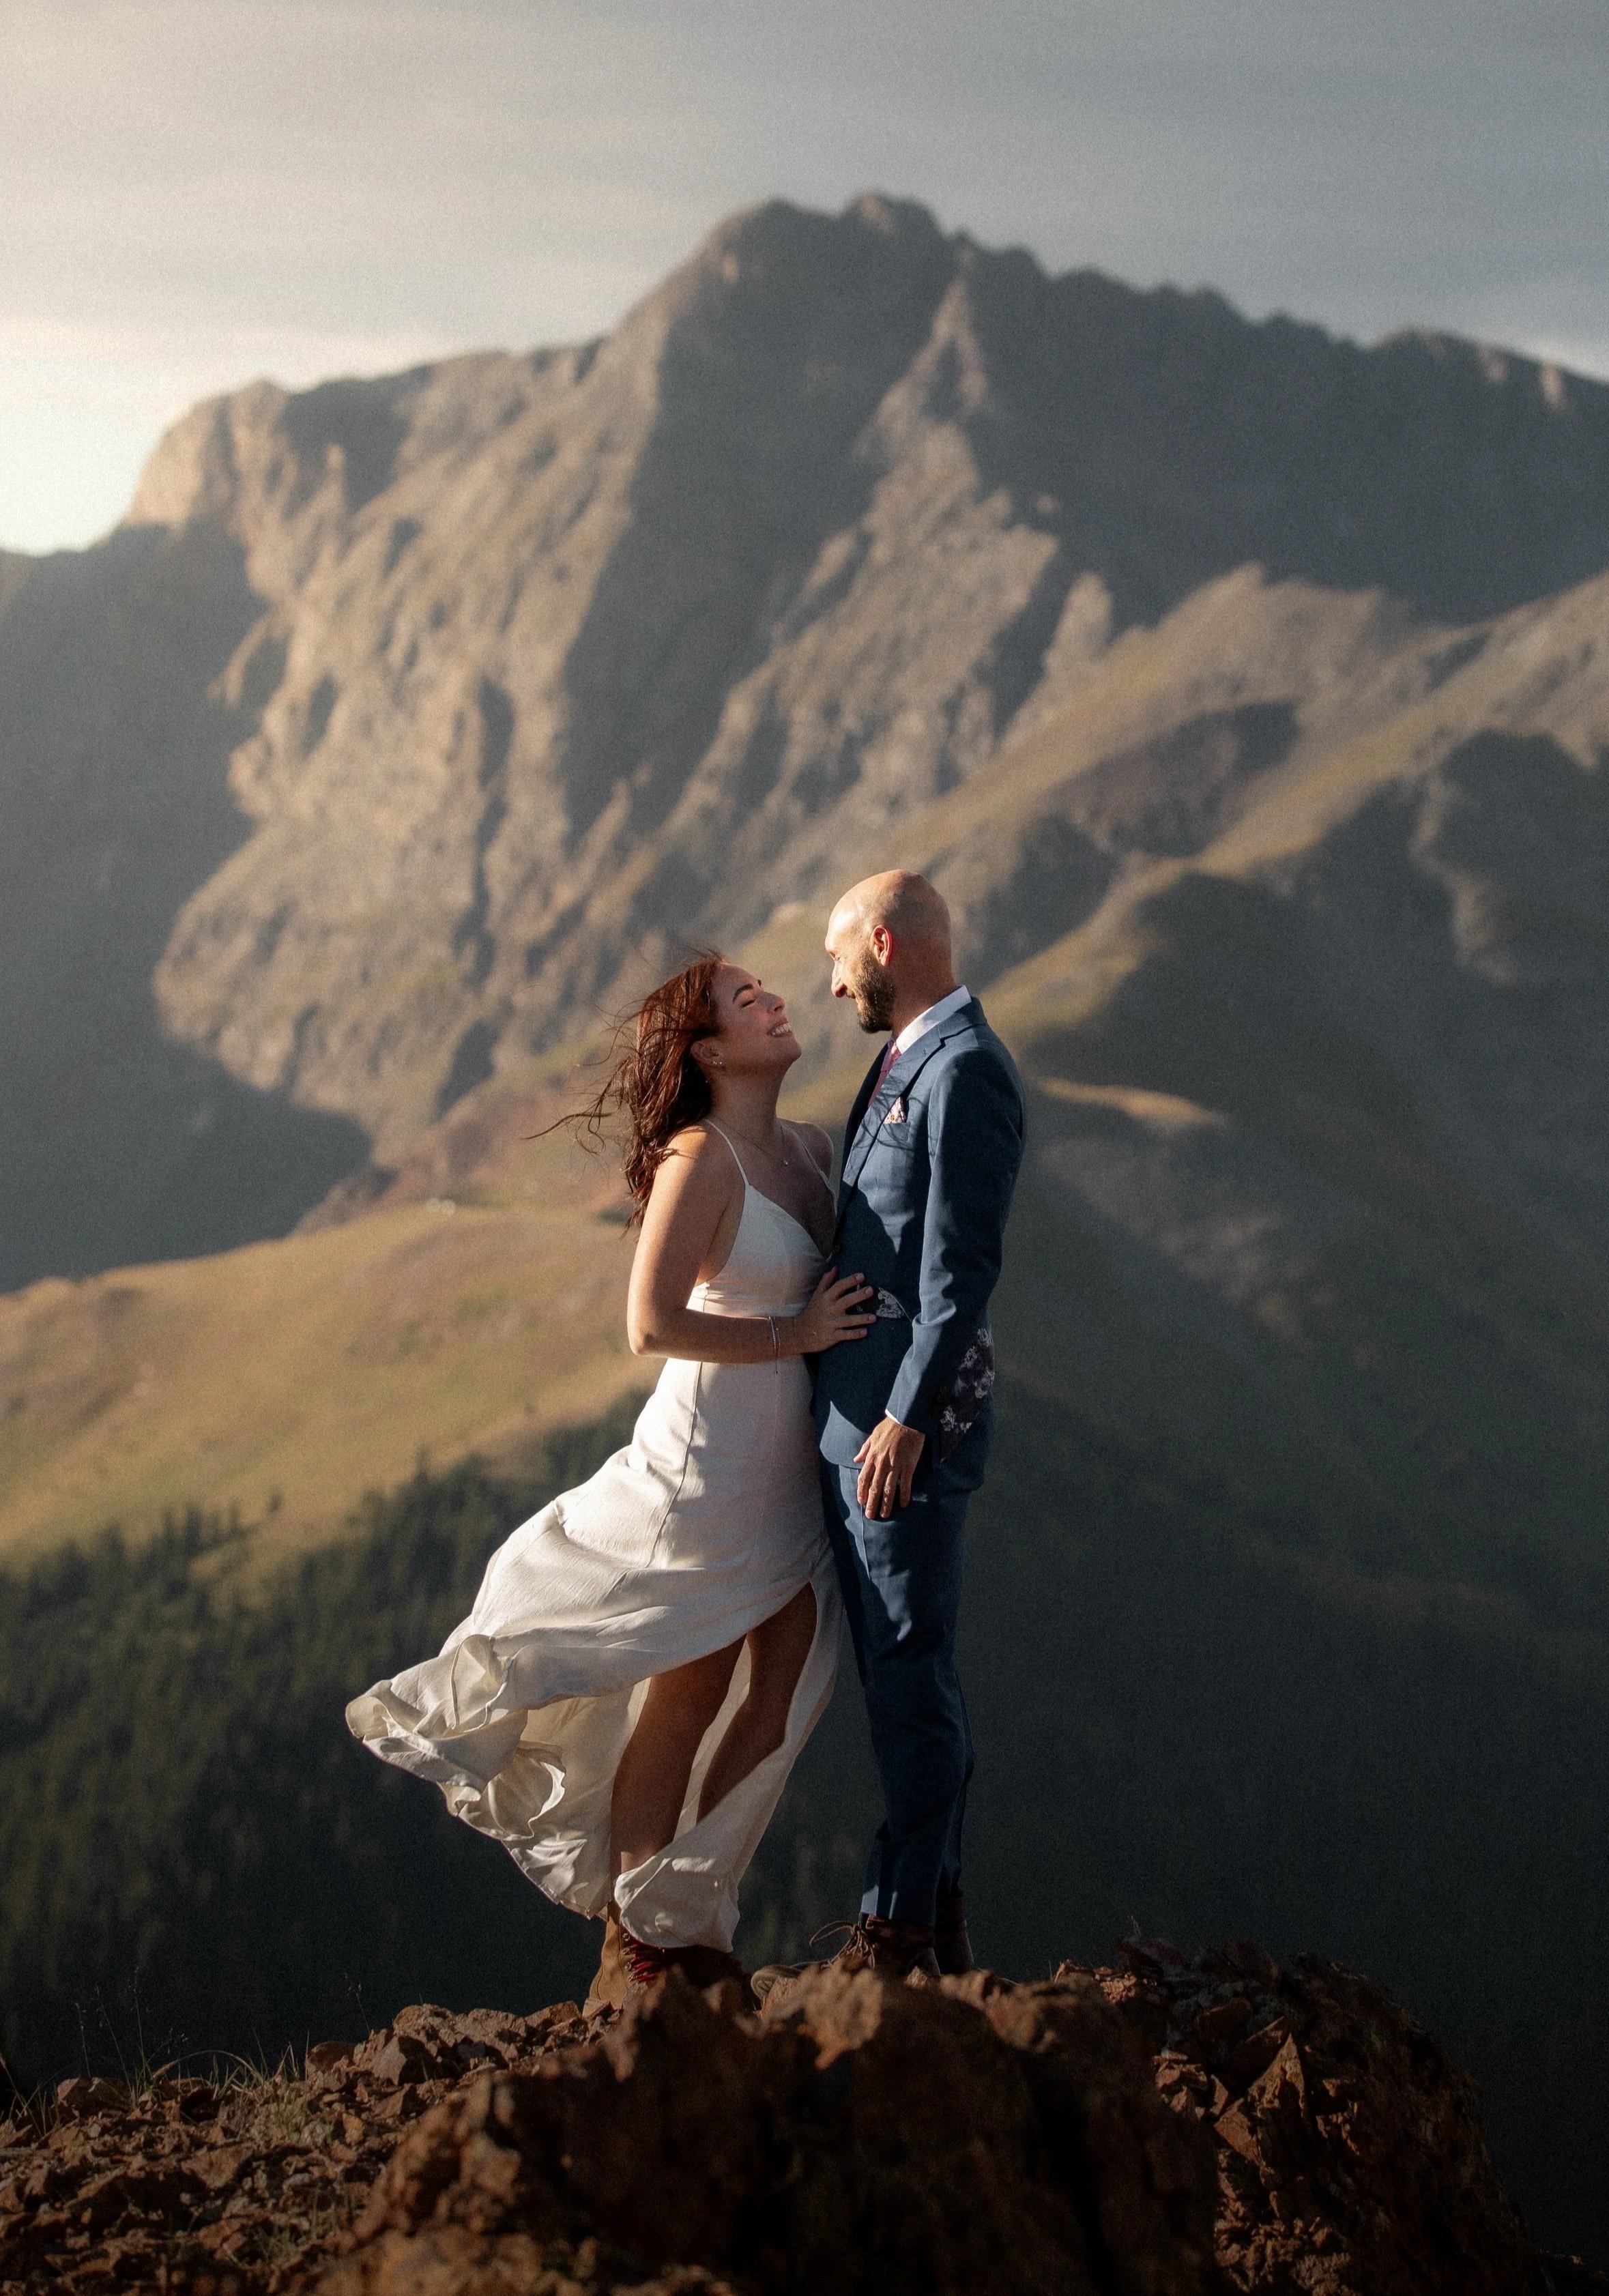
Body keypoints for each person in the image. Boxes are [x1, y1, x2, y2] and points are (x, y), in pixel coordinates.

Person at [345, 954, 875, 2001]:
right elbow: (649, 1322)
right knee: (691, 1680)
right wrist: (795, 1328)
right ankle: (651, 1920)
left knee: (783, 1691)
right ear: (711, 1051)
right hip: (708, 1459)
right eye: (745, 999)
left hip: (792, 1465)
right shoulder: (701, 1156)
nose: (773, 999)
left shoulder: (814, 1150)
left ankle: (690, 1904)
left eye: (767, 989)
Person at [756, 871, 1024, 1996]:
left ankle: (899, 1926)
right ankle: (939, 1913)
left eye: (838, 959)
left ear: (883, 941)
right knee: (897, 1674)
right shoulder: (906, 1053)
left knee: (910, 1675)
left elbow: (959, 1274)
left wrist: (906, 1418)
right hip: (853, 1423)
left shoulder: (966, 1072)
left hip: (894, 1440)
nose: (829, 984)